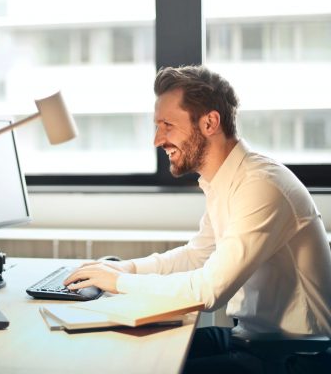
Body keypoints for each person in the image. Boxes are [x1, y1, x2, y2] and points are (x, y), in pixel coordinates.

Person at [64, 65, 331, 373]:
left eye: (167, 125)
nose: (157, 140)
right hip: (250, 339)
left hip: (296, 356)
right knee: (126, 349)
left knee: (144, 366)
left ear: (209, 122)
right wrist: (124, 268)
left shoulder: (261, 186)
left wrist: (120, 282)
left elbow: (209, 291)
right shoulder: (225, 181)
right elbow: (197, 256)